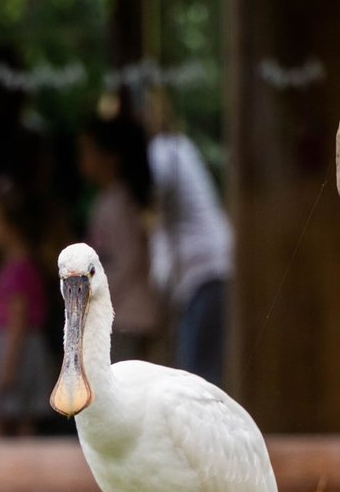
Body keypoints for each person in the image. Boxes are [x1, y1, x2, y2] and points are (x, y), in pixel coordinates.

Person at [147, 90, 233, 387]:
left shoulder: (163, 151)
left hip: (201, 271)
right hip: (209, 267)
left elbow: (153, 206)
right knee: (202, 366)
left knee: (197, 376)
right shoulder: (180, 147)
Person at [78, 111, 161, 363]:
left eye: (87, 151)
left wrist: (93, 293)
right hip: (125, 314)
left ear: (111, 157)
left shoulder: (117, 204)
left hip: (128, 317)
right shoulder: (111, 201)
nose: (82, 160)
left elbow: (130, 258)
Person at [0, 184, 52, 437]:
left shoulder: (18, 270)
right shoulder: (19, 266)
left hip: (13, 348)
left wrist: (8, 364)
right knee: (22, 418)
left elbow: (18, 316)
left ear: (11, 227)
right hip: (20, 347)